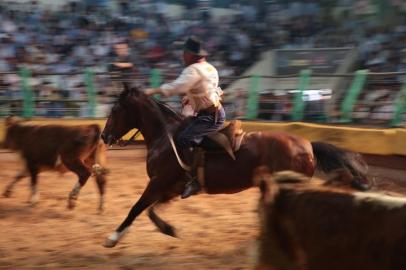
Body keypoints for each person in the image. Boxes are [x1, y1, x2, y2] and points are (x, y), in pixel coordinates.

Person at [145, 36, 225, 199]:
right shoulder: (210, 68)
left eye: (184, 52)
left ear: (190, 54)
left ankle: (194, 180)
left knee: (184, 139)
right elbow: (206, 88)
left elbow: (177, 86)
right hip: (213, 112)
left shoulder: (192, 70)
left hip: (209, 116)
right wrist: (192, 98)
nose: (183, 56)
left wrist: (153, 91)